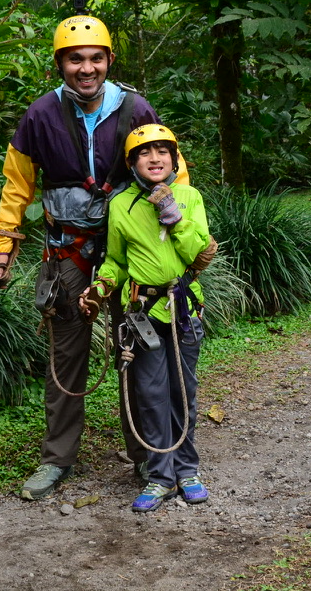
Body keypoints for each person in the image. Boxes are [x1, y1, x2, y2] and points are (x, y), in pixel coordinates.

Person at [0, 9, 189, 500]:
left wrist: (182, 235)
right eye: (75, 59)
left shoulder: (136, 109)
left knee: (137, 346)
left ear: (109, 59)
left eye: (96, 58)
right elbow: (17, 187)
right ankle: (57, 458)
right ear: (60, 63)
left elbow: (171, 170)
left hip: (131, 249)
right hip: (67, 249)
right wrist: (3, 245)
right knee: (66, 353)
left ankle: (147, 453)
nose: (86, 68)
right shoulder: (40, 116)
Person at [78, 124, 211, 512]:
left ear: (174, 158)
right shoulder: (121, 205)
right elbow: (116, 260)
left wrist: (173, 215)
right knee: (150, 394)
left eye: (162, 151)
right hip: (143, 312)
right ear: (132, 162)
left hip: (183, 307)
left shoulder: (189, 197)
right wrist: (100, 287)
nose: (155, 159)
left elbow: (199, 252)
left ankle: (187, 470)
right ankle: (160, 477)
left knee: (182, 390)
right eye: (145, 153)